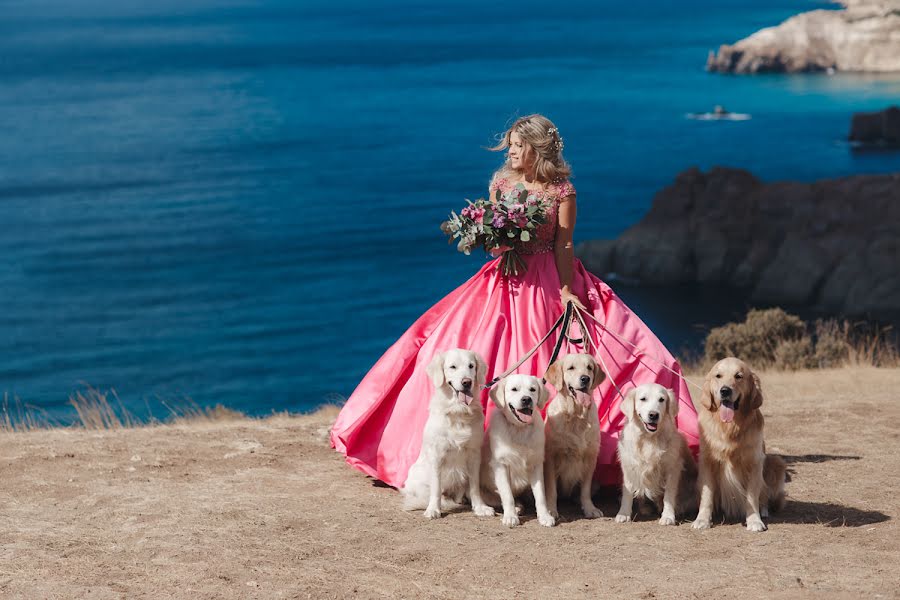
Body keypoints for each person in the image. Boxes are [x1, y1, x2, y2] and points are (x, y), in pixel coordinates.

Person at [331, 114, 699, 490]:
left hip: (548, 280)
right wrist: (494, 239)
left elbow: (564, 244)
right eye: (509, 145)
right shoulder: (501, 183)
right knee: (438, 349)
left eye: (517, 145)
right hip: (503, 280)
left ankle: (560, 463)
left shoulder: (563, 191)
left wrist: (568, 291)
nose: (509, 152)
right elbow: (495, 245)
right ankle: (484, 466)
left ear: (537, 149)